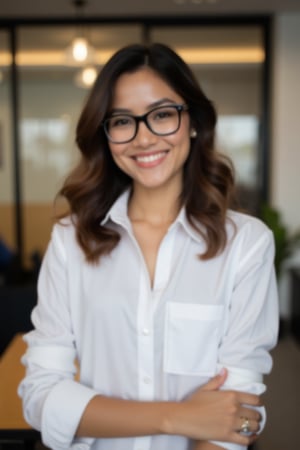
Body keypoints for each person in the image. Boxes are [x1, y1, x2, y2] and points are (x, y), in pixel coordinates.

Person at [19, 43, 278, 450]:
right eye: (123, 121)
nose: (143, 138)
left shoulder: (245, 245)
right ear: (106, 135)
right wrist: (176, 415)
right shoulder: (71, 240)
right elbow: (40, 396)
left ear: (192, 121)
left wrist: (230, 420)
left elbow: (239, 414)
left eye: (161, 115)